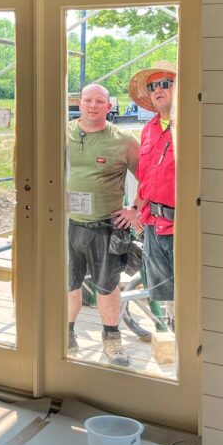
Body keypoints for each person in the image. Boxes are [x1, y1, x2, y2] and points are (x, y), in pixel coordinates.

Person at [67, 83, 140, 367]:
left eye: (100, 101)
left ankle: (112, 339)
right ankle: (67, 335)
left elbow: (150, 176)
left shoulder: (123, 140)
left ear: (109, 107)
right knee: (68, 284)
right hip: (68, 224)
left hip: (105, 227)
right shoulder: (64, 134)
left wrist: (135, 209)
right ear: (80, 103)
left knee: (108, 287)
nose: (93, 105)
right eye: (88, 100)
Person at [126, 63, 176, 326]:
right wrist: (135, 210)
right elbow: (145, 179)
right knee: (166, 295)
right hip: (154, 227)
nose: (158, 90)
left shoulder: (192, 127)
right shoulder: (148, 130)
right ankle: (172, 332)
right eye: (152, 86)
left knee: (192, 291)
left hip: (183, 226)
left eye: (165, 83)